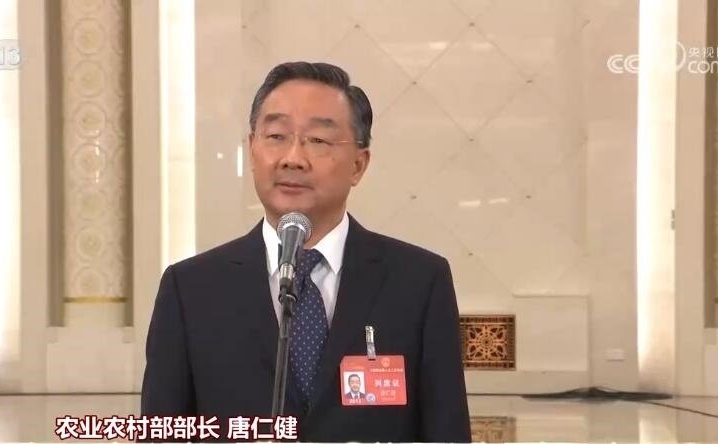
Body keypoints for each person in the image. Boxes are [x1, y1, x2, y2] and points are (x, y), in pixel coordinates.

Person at [141, 61, 471, 442]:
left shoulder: (419, 284)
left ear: (358, 164)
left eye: (318, 140)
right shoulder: (190, 290)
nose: (293, 157)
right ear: (252, 149)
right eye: (276, 136)